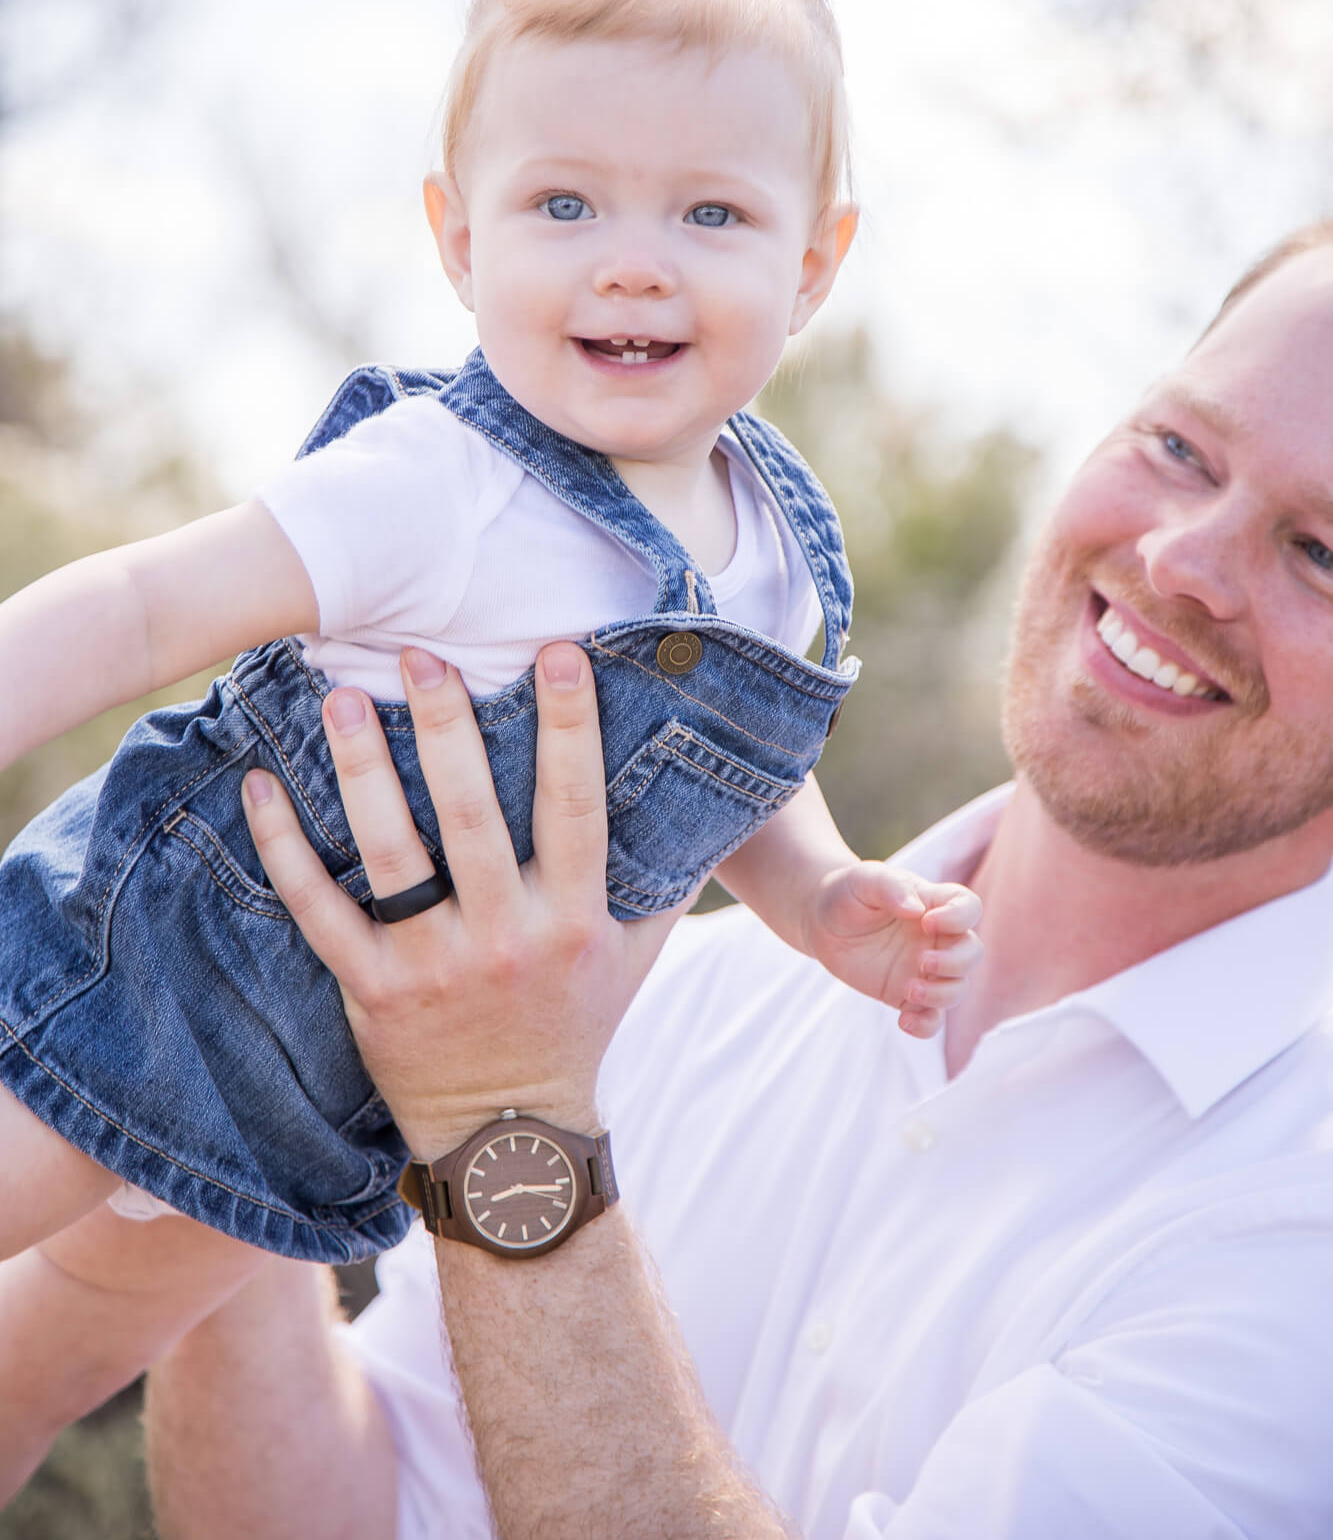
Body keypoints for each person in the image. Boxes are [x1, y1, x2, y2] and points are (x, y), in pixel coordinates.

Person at [0, 0, 984, 1500]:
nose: (631, 257)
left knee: (40, 1368)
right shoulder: (443, 481)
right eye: (563, 201)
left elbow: (726, 768)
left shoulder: (769, 544)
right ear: (459, 239)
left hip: (325, 1106)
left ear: (812, 264)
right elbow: (140, 611)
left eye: (712, 212)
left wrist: (817, 895)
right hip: (150, 980)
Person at [147, 222, 1333, 1539]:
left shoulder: (1303, 1232)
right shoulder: (668, 980)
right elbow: (347, 1514)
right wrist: (232, 1077)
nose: (1179, 561)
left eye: (1320, 553)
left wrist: (503, 1120)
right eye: (1177, 450)